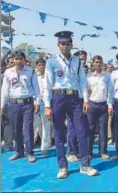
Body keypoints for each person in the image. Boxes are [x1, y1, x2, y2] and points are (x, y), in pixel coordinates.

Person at [43, 31, 98, 179]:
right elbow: (47, 84)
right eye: (62, 44)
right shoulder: (51, 62)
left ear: (71, 45)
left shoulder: (77, 61)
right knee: (59, 133)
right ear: (58, 45)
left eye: (68, 44)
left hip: (74, 98)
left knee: (82, 131)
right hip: (58, 97)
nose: (65, 46)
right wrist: (47, 105)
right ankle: (62, 166)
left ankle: (85, 164)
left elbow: (82, 82)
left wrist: (86, 100)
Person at [1, 50, 40, 163]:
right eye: (16, 59)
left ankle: (30, 152)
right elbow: (4, 90)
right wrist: (2, 106)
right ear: (13, 60)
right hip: (13, 104)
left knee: (28, 128)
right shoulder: (8, 72)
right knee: (16, 128)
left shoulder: (31, 71)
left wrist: (37, 102)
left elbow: (36, 88)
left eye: (20, 59)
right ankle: (19, 151)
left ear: (24, 59)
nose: (18, 61)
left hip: (28, 103)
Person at [66, 50, 89, 162]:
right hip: (74, 100)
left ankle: (82, 151)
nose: (82, 61)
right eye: (80, 58)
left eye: (84, 58)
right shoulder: (70, 71)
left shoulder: (88, 72)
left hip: (86, 101)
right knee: (72, 127)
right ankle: (71, 151)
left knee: (83, 128)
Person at [86, 55, 110, 160]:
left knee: (103, 129)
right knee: (90, 129)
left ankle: (103, 151)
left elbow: (110, 91)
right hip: (91, 105)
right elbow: (85, 91)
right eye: (96, 62)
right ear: (93, 64)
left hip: (103, 105)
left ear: (102, 63)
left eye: (100, 62)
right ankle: (89, 152)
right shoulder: (88, 77)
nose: (98, 64)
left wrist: (109, 105)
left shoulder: (107, 76)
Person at [33, 58, 51, 155]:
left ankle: (45, 146)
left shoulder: (49, 76)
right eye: (39, 65)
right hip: (36, 103)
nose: (41, 67)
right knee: (33, 125)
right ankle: (29, 145)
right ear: (37, 66)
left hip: (47, 104)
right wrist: (35, 102)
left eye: (43, 65)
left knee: (46, 125)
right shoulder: (34, 76)